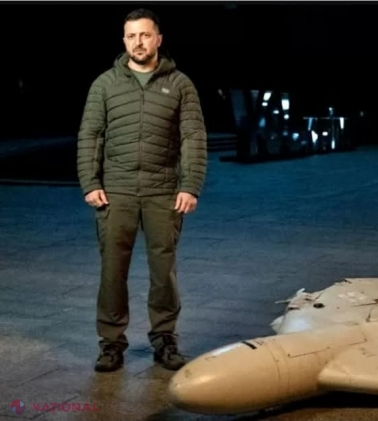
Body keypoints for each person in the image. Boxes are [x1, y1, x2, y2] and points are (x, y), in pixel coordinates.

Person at [77, 8, 207, 373]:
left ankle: (165, 339)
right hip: (115, 192)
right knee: (112, 271)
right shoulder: (105, 84)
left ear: (158, 39)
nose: (138, 42)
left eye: (145, 35)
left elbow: (193, 137)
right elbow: (90, 135)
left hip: (162, 192)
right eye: (132, 36)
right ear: (124, 40)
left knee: (164, 272)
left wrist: (190, 186)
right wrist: (90, 182)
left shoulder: (180, 84)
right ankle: (111, 343)